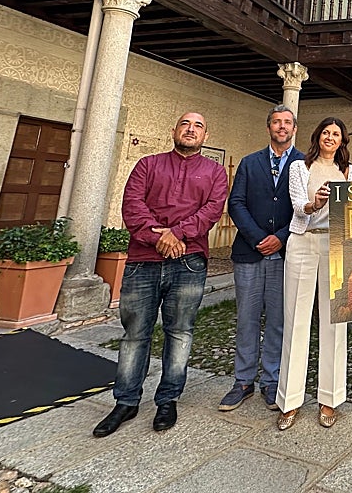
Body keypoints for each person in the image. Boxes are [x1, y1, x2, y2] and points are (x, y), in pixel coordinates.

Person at [93, 112, 228, 437]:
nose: (191, 129)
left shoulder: (215, 172)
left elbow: (211, 211)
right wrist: (160, 238)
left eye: (198, 125)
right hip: (143, 261)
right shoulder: (147, 166)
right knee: (135, 334)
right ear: (174, 131)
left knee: (180, 332)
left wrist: (177, 234)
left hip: (188, 262)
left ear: (205, 135)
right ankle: (126, 401)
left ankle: (168, 398)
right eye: (185, 124)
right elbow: (133, 207)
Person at [219, 105, 302, 413]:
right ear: (269, 128)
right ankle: (242, 381)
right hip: (249, 252)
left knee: (279, 320)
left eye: (287, 123)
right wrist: (257, 238)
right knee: (247, 319)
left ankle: (271, 379)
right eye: (277, 122)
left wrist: (280, 236)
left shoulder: (303, 162)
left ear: (294, 129)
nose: (282, 127)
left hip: (287, 251)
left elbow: (304, 208)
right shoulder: (249, 162)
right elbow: (236, 202)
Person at [276, 117, 352, 430]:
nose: (330, 137)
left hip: (336, 245)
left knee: (336, 321)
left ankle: (329, 399)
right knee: (296, 319)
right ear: (317, 137)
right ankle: (289, 400)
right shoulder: (299, 167)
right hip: (303, 243)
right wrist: (314, 203)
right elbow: (296, 205)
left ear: (342, 140)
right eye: (326, 133)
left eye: (336, 133)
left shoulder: (350, 171)